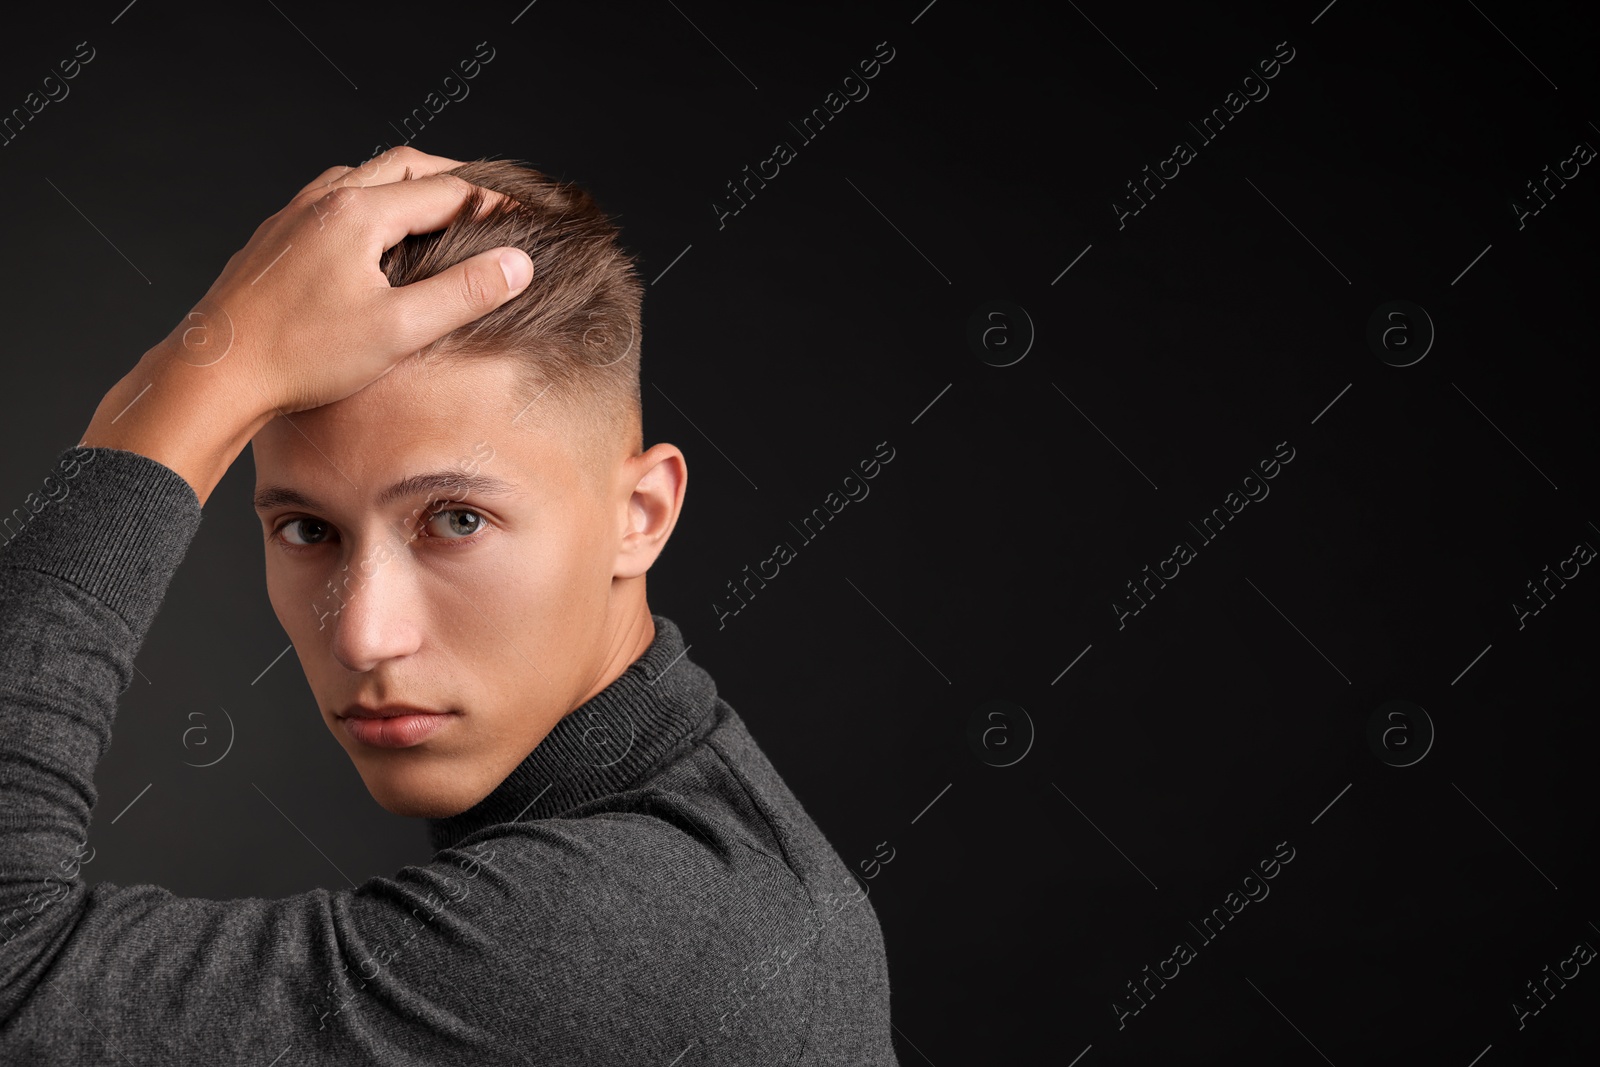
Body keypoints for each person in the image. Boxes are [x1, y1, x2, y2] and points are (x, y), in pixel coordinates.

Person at [0, 147, 898, 1064]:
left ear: (641, 516)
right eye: (309, 531)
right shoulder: (693, 852)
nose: (362, 634)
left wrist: (195, 381)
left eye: (456, 519)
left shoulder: (643, 931)